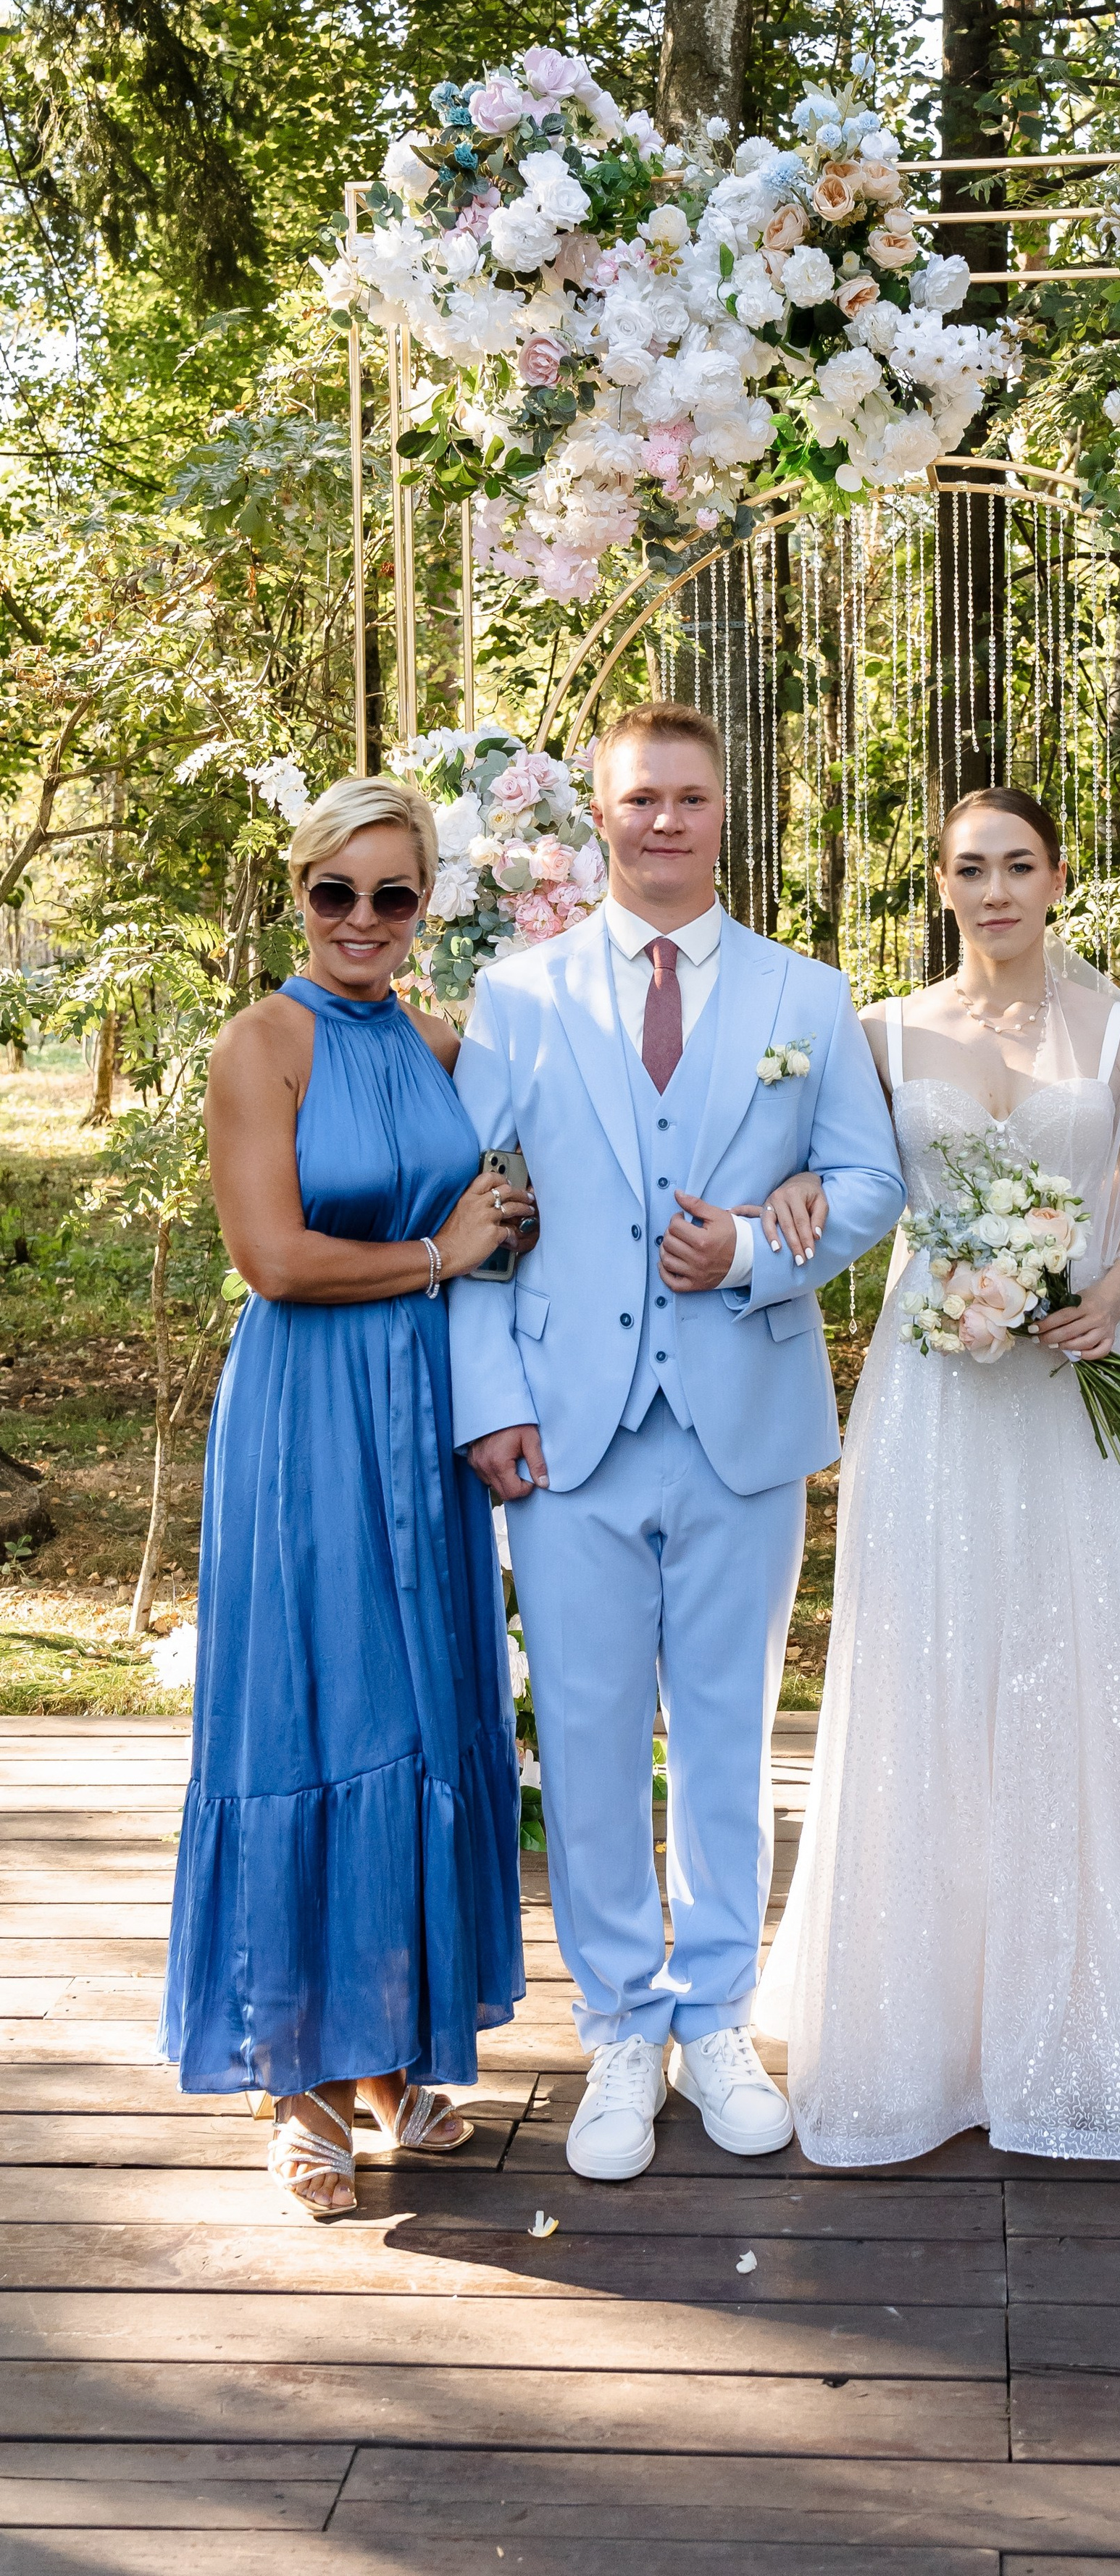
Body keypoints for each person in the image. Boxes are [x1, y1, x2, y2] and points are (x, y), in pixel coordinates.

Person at [447, 701, 905, 2183]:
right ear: (598, 814)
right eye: (637, 798)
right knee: (583, 1741)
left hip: (738, 1425)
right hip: (566, 1431)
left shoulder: (805, 996)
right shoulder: (518, 998)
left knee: (723, 1733)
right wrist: (487, 1402)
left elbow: (866, 1179)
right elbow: (460, 1219)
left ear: (726, 812)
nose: (662, 822)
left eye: (688, 798)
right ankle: (618, 2031)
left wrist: (767, 1259)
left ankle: (716, 2016)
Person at [758, 789, 1120, 2168]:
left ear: (1059, 877)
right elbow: (836, 1174)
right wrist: (791, 1200)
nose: (994, 890)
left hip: (1080, 1391)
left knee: (1086, 1665)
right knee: (937, 1668)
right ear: (942, 885)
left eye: (1018, 865)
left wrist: (1118, 1290)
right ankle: (925, 2023)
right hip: (939, 1400)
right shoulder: (885, 1032)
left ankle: (1092, 2010)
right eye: (969, 869)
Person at [161, 778, 531, 2220]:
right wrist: (442, 1254)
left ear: (424, 905)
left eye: (394, 897)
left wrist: (511, 1223)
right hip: (307, 1414)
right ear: (299, 892)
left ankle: (389, 2057)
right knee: (316, 1706)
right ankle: (298, 2080)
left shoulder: (449, 1046)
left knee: (423, 1704)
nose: (364, 923)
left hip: (422, 1418)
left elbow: (502, 1209)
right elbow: (277, 1258)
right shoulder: (262, 1044)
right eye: (338, 895)